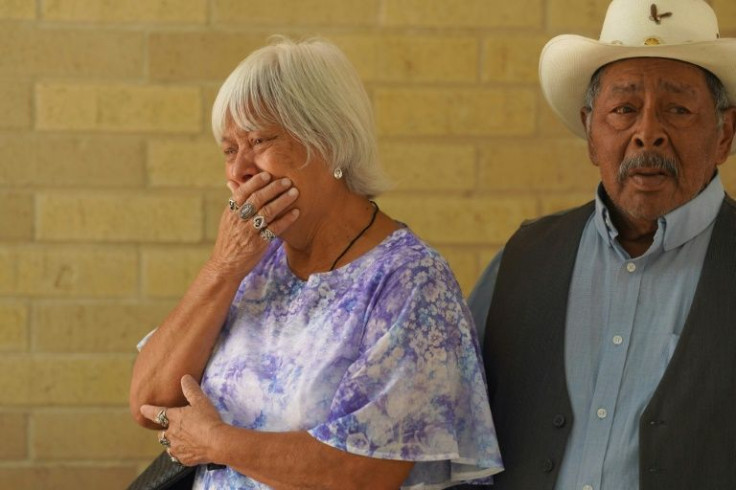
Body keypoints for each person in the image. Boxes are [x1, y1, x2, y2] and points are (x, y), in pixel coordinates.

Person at [129, 36, 502, 489]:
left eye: (260, 141)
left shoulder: (409, 280)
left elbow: (364, 472)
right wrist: (221, 269)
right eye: (229, 150)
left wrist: (217, 443)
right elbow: (149, 401)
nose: (238, 170)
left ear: (328, 140)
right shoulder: (252, 263)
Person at [460, 0, 736, 489]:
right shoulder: (524, 259)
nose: (647, 134)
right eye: (624, 109)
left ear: (724, 134)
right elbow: (458, 428)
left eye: (677, 109)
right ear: (591, 132)